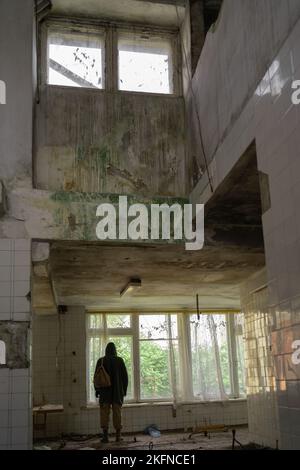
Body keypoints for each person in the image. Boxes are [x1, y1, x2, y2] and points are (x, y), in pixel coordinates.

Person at [94, 342, 128, 443]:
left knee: (104, 414)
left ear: (106, 350)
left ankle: (105, 437)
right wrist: (124, 391)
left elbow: (96, 378)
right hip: (117, 392)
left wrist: (97, 391)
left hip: (104, 393)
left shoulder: (101, 361)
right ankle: (118, 436)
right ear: (115, 350)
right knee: (117, 413)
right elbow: (125, 378)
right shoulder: (119, 361)